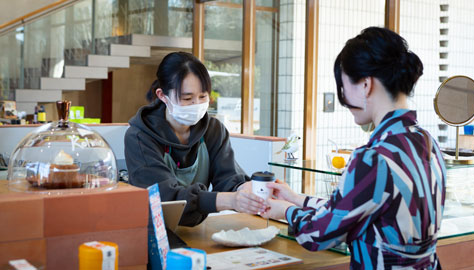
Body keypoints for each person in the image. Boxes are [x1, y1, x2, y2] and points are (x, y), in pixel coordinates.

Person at [262, 27, 446, 269]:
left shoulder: (373, 158)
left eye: (344, 85)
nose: (343, 96)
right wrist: (296, 198)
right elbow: (352, 208)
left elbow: (317, 234)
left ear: (365, 85)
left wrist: (285, 211)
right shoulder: (428, 142)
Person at [124, 52, 267, 227]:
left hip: (197, 230)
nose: (196, 105)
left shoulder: (213, 130)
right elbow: (167, 197)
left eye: (202, 97)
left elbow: (228, 176)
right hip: (151, 233)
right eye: (187, 98)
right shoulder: (140, 137)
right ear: (162, 95)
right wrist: (230, 201)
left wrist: (243, 190)